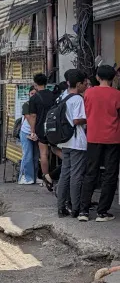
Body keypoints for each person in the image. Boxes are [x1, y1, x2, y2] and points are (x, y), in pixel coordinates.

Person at [80, 64, 120, 222]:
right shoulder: (117, 94)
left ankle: (83, 211)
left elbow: (86, 112)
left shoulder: (89, 92)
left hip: (93, 137)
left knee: (90, 172)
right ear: (113, 78)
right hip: (113, 138)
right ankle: (102, 212)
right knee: (110, 174)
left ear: (97, 77)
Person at [54, 69, 88, 219]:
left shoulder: (62, 96)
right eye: (84, 83)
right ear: (78, 84)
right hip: (76, 141)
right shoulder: (77, 99)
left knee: (64, 174)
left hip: (64, 141)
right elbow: (77, 120)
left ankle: (61, 207)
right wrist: (89, 118)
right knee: (76, 175)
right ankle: (76, 208)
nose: (85, 85)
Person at [26, 73, 58, 190]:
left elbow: (33, 116)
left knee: (43, 154)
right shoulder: (53, 95)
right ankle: (68, 163)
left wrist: (32, 130)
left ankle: (46, 178)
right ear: (46, 83)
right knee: (55, 149)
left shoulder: (34, 98)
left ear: (35, 84)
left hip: (41, 128)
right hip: (53, 127)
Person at [18, 101, 36, 184]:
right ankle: (25, 177)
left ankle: (34, 177)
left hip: (35, 133)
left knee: (35, 156)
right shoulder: (27, 105)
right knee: (27, 155)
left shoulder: (39, 103)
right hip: (26, 132)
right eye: (31, 94)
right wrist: (32, 132)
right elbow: (29, 118)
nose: (33, 95)